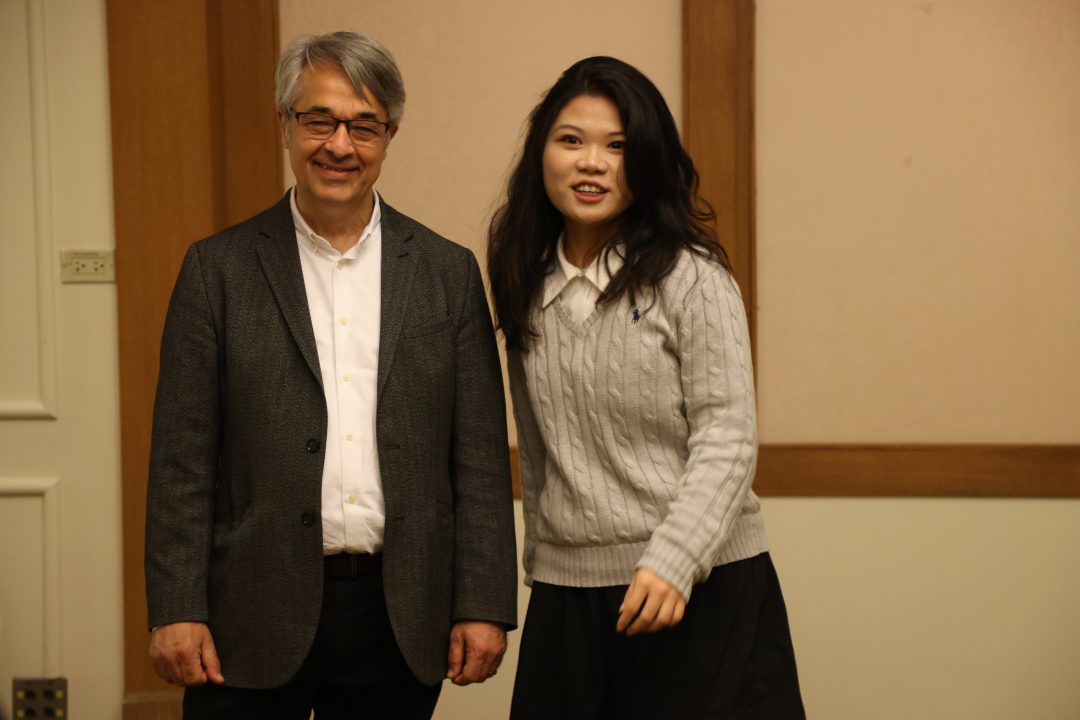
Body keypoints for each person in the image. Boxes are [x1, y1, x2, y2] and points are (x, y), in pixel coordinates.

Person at [144, 31, 516, 719]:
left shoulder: (446, 273)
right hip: (247, 610)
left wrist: (484, 603)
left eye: (363, 126)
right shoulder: (216, 271)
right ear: (285, 124)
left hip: (399, 613)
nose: (339, 145)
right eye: (319, 120)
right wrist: (176, 607)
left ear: (389, 136)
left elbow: (480, 459)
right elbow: (180, 462)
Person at [487, 56, 804, 718]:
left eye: (618, 146)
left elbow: (728, 437)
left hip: (697, 586)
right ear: (541, 151)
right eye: (571, 140)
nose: (591, 163)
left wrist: (674, 559)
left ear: (649, 161)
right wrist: (542, 564)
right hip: (568, 600)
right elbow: (540, 448)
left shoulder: (694, 279)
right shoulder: (524, 280)